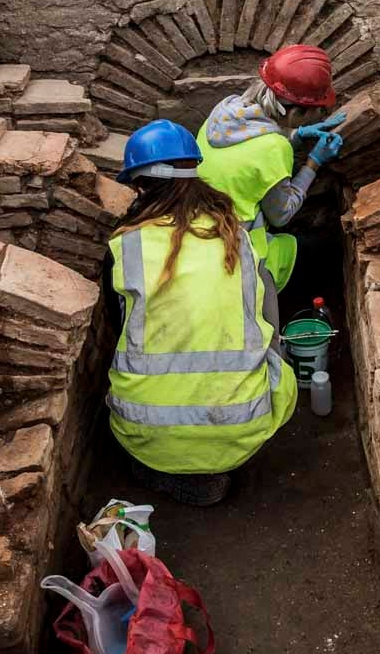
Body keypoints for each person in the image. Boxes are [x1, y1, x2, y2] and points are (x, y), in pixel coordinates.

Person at [106, 120, 298, 507]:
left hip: (144, 430)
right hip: (243, 425)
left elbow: (119, 327)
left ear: (141, 186)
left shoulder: (126, 246)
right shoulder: (237, 238)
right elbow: (267, 324)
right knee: (283, 371)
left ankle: (164, 468)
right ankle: (217, 459)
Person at [195, 44, 346, 293]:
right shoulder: (274, 148)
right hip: (233, 248)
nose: (319, 116)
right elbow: (281, 215)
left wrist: (296, 135)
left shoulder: (225, 110)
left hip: (195, 231)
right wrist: (314, 162)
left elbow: (247, 156)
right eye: (318, 111)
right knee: (325, 249)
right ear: (296, 112)